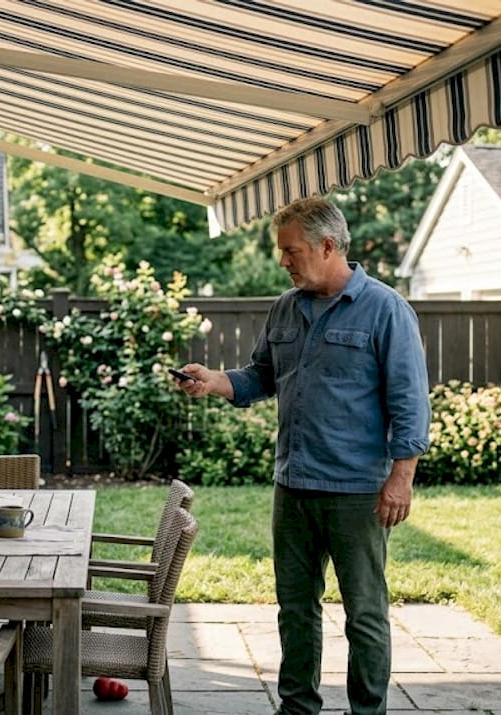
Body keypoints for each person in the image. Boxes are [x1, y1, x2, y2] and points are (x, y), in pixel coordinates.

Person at [175, 196, 430, 715]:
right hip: (292, 488)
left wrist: (401, 477)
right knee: (295, 610)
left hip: (357, 493)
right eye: (281, 252)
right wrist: (215, 382)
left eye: (291, 251)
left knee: (364, 613)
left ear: (327, 245)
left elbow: (410, 401)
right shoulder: (285, 308)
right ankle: (297, 709)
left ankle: (368, 712)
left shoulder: (386, 310)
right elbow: (261, 377)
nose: (283, 261)